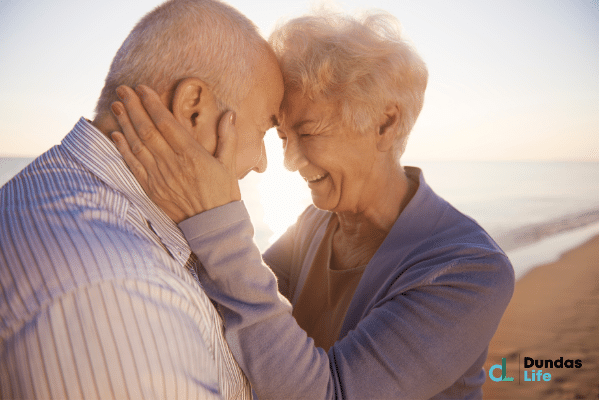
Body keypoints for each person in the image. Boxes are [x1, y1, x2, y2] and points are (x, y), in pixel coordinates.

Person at [112, 10, 515, 400]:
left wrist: (216, 221)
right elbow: (228, 306)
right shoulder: (317, 221)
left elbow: (330, 393)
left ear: (385, 123)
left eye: (308, 131)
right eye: (284, 136)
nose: (288, 161)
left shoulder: (470, 270)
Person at [0, 0, 283, 398]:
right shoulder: (124, 294)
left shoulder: (46, 190)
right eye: (265, 129)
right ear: (193, 109)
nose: (262, 164)